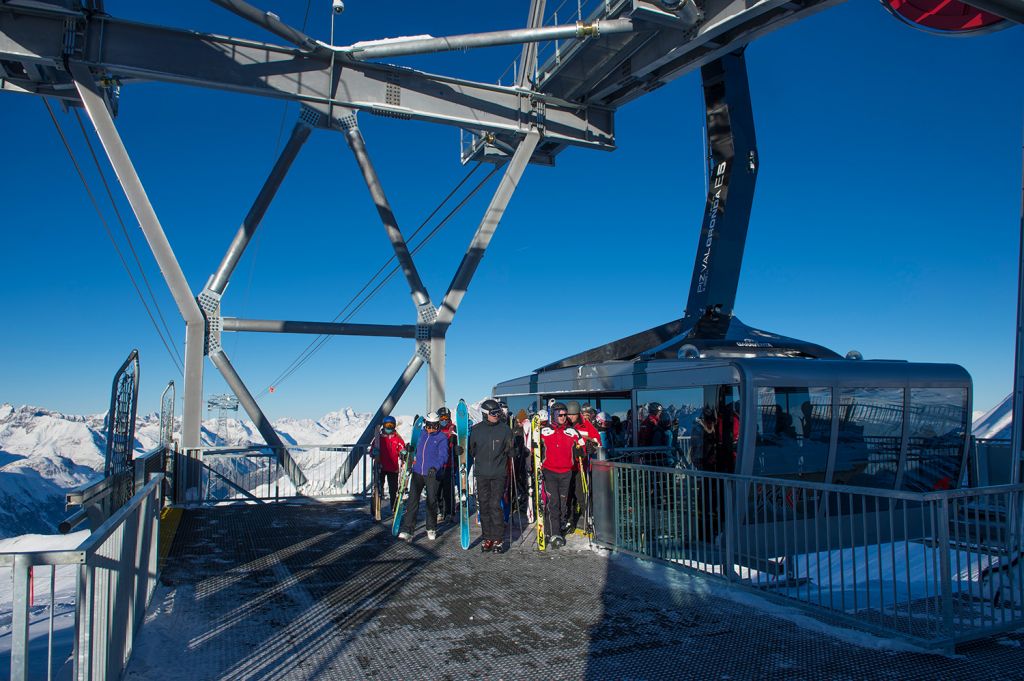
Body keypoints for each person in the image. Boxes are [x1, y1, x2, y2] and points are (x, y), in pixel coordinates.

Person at [469, 398, 513, 552]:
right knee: (484, 506)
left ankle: (498, 539)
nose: (497, 415)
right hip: (482, 474)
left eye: (498, 412)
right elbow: (471, 451)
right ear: (485, 414)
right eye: (494, 413)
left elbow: (510, 448)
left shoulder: (505, 429)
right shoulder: (476, 430)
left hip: (498, 474)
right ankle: (487, 537)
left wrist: (514, 451)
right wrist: (460, 450)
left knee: (495, 505)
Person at [398, 412, 449, 542]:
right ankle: (407, 530)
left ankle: (431, 528)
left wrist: (436, 467)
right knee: (412, 501)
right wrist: (406, 451)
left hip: (432, 474)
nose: (431, 428)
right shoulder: (420, 434)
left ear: (438, 425)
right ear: (425, 424)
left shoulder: (442, 437)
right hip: (417, 472)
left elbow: (444, 456)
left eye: (434, 426)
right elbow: (411, 447)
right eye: (428, 425)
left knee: (431, 501)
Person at [539, 402, 577, 548]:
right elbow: (533, 448)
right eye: (560, 414)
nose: (563, 417)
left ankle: (558, 527)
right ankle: (554, 533)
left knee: (563, 502)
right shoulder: (544, 431)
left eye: (565, 414)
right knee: (553, 502)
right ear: (553, 415)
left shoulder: (571, 431)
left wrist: (586, 448)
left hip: (566, 472)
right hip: (550, 472)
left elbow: (581, 446)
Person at [565, 401, 599, 533]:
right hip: (567, 466)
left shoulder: (585, 424)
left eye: (573, 415)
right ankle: (569, 521)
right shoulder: (564, 424)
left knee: (582, 494)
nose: (570, 417)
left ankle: (589, 519)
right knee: (568, 495)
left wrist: (592, 445)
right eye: (569, 415)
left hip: (580, 465)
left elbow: (596, 439)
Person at [370, 415, 406, 516]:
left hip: (393, 468)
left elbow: (402, 449)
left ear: (394, 426)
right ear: (384, 426)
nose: (389, 427)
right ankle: (375, 511)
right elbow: (372, 451)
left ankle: (394, 509)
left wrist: (403, 452)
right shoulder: (378, 439)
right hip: (380, 467)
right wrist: (374, 452)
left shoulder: (397, 439)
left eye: (391, 425)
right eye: (387, 425)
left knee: (393, 490)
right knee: (378, 489)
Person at [437, 406, 456, 522]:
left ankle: (449, 511)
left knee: (448, 490)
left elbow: (461, 443)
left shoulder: (453, 429)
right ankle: (440, 510)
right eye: (442, 417)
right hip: (438, 465)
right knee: (438, 490)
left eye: (446, 417)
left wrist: (455, 442)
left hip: (449, 465)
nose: (444, 420)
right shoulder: (436, 429)